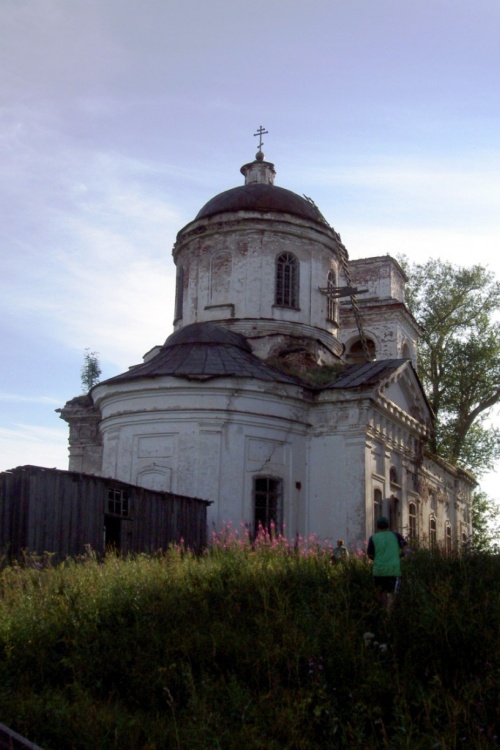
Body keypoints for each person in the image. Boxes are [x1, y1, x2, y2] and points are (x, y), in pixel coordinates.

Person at [367, 517, 407, 611]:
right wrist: (400, 555)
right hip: (393, 570)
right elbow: (405, 547)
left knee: (381, 593)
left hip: (379, 570)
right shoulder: (396, 535)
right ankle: (390, 615)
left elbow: (370, 554)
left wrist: (378, 559)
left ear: (377, 526)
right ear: (388, 525)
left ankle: (383, 612)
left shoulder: (373, 538)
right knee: (392, 593)